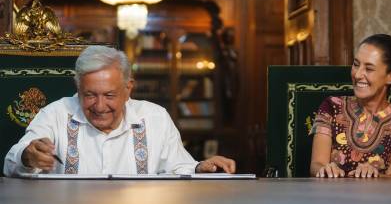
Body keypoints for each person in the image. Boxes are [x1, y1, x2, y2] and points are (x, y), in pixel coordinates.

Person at [3, 46, 236, 176]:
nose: (100, 106)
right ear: (78, 88)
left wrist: (200, 167)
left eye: (110, 95)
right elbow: (10, 165)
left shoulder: (155, 118)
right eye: (90, 95)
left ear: (128, 88)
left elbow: (176, 167)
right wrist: (27, 156)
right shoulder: (54, 114)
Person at [310, 34, 391, 178]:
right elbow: (316, 164)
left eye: (369, 69)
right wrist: (324, 169)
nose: (358, 74)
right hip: (331, 198)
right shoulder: (331, 106)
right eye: (356, 64)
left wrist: (375, 176)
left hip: (380, 200)